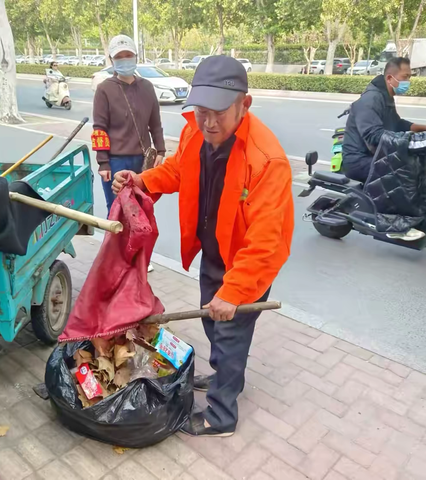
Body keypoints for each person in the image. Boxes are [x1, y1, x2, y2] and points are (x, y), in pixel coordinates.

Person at [112, 56, 294, 437]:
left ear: (244, 105)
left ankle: (221, 416)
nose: (209, 123)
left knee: (230, 333)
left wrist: (235, 292)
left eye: (219, 114)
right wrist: (143, 181)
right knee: (214, 324)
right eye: (201, 112)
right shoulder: (198, 135)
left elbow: (265, 241)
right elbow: (177, 170)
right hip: (214, 252)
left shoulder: (266, 160)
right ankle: (226, 376)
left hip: (247, 266)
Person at [92, 34, 166, 214]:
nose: (124, 60)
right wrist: (103, 163)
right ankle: (118, 243)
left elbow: (155, 124)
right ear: (111, 60)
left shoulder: (147, 87)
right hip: (116, 161)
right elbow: (99, 129)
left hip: (143, 161)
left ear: (136, 57)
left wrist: (161, 150)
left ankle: (139, 243)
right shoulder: (104, 89)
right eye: (119, 57)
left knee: (142, 208)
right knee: (117, 210)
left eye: (128, 55)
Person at [342, 57, 426, 182]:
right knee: (410, 172)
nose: (408, 81)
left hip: (376, 156)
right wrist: (409, 141)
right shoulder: (370, 99)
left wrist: (422, 129)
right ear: (389, 78)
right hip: (360, 161)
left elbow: (397, 124)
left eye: (410, 77)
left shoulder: (386, 97)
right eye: (405, 77)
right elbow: (374, 136)